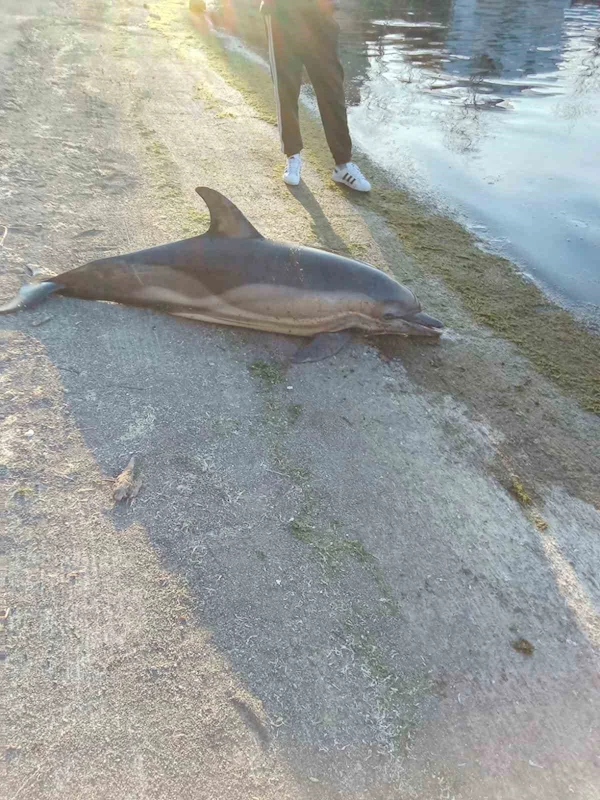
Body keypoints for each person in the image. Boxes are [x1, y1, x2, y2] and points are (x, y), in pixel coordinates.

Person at [259, 0, 371, 191]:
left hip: (320, 14)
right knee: (286, 89)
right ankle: (292, 155)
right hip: (281, 13)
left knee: (332, 90)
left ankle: (343, 165)